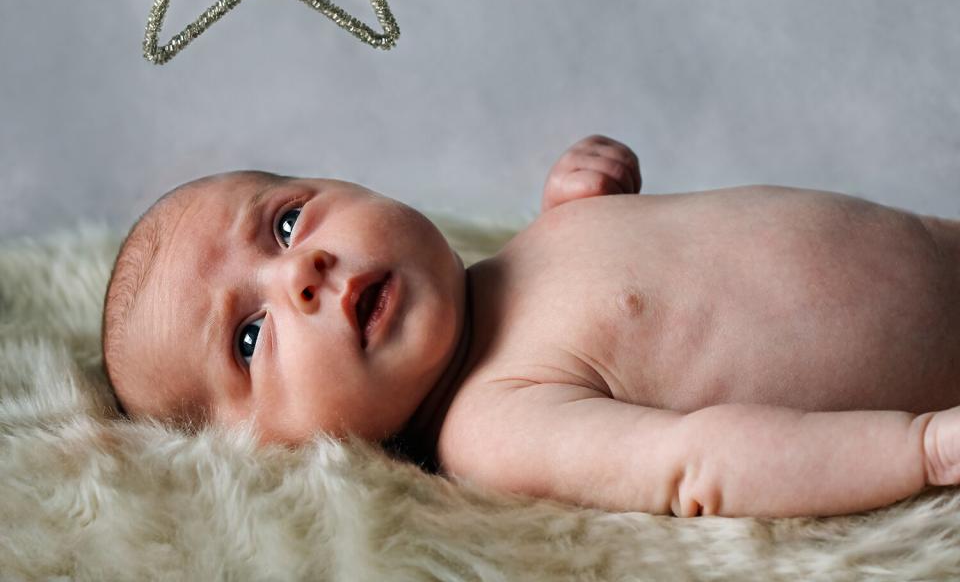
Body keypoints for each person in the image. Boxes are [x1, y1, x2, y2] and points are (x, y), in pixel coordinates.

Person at [102, 134, 960, 518]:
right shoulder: (495, 427)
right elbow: (698, 465)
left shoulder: (512, 262)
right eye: (248, 339)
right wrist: (918, 449)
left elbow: (635, 292)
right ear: (258, 452)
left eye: (286, 223)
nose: (299, 272)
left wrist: (578, 212)